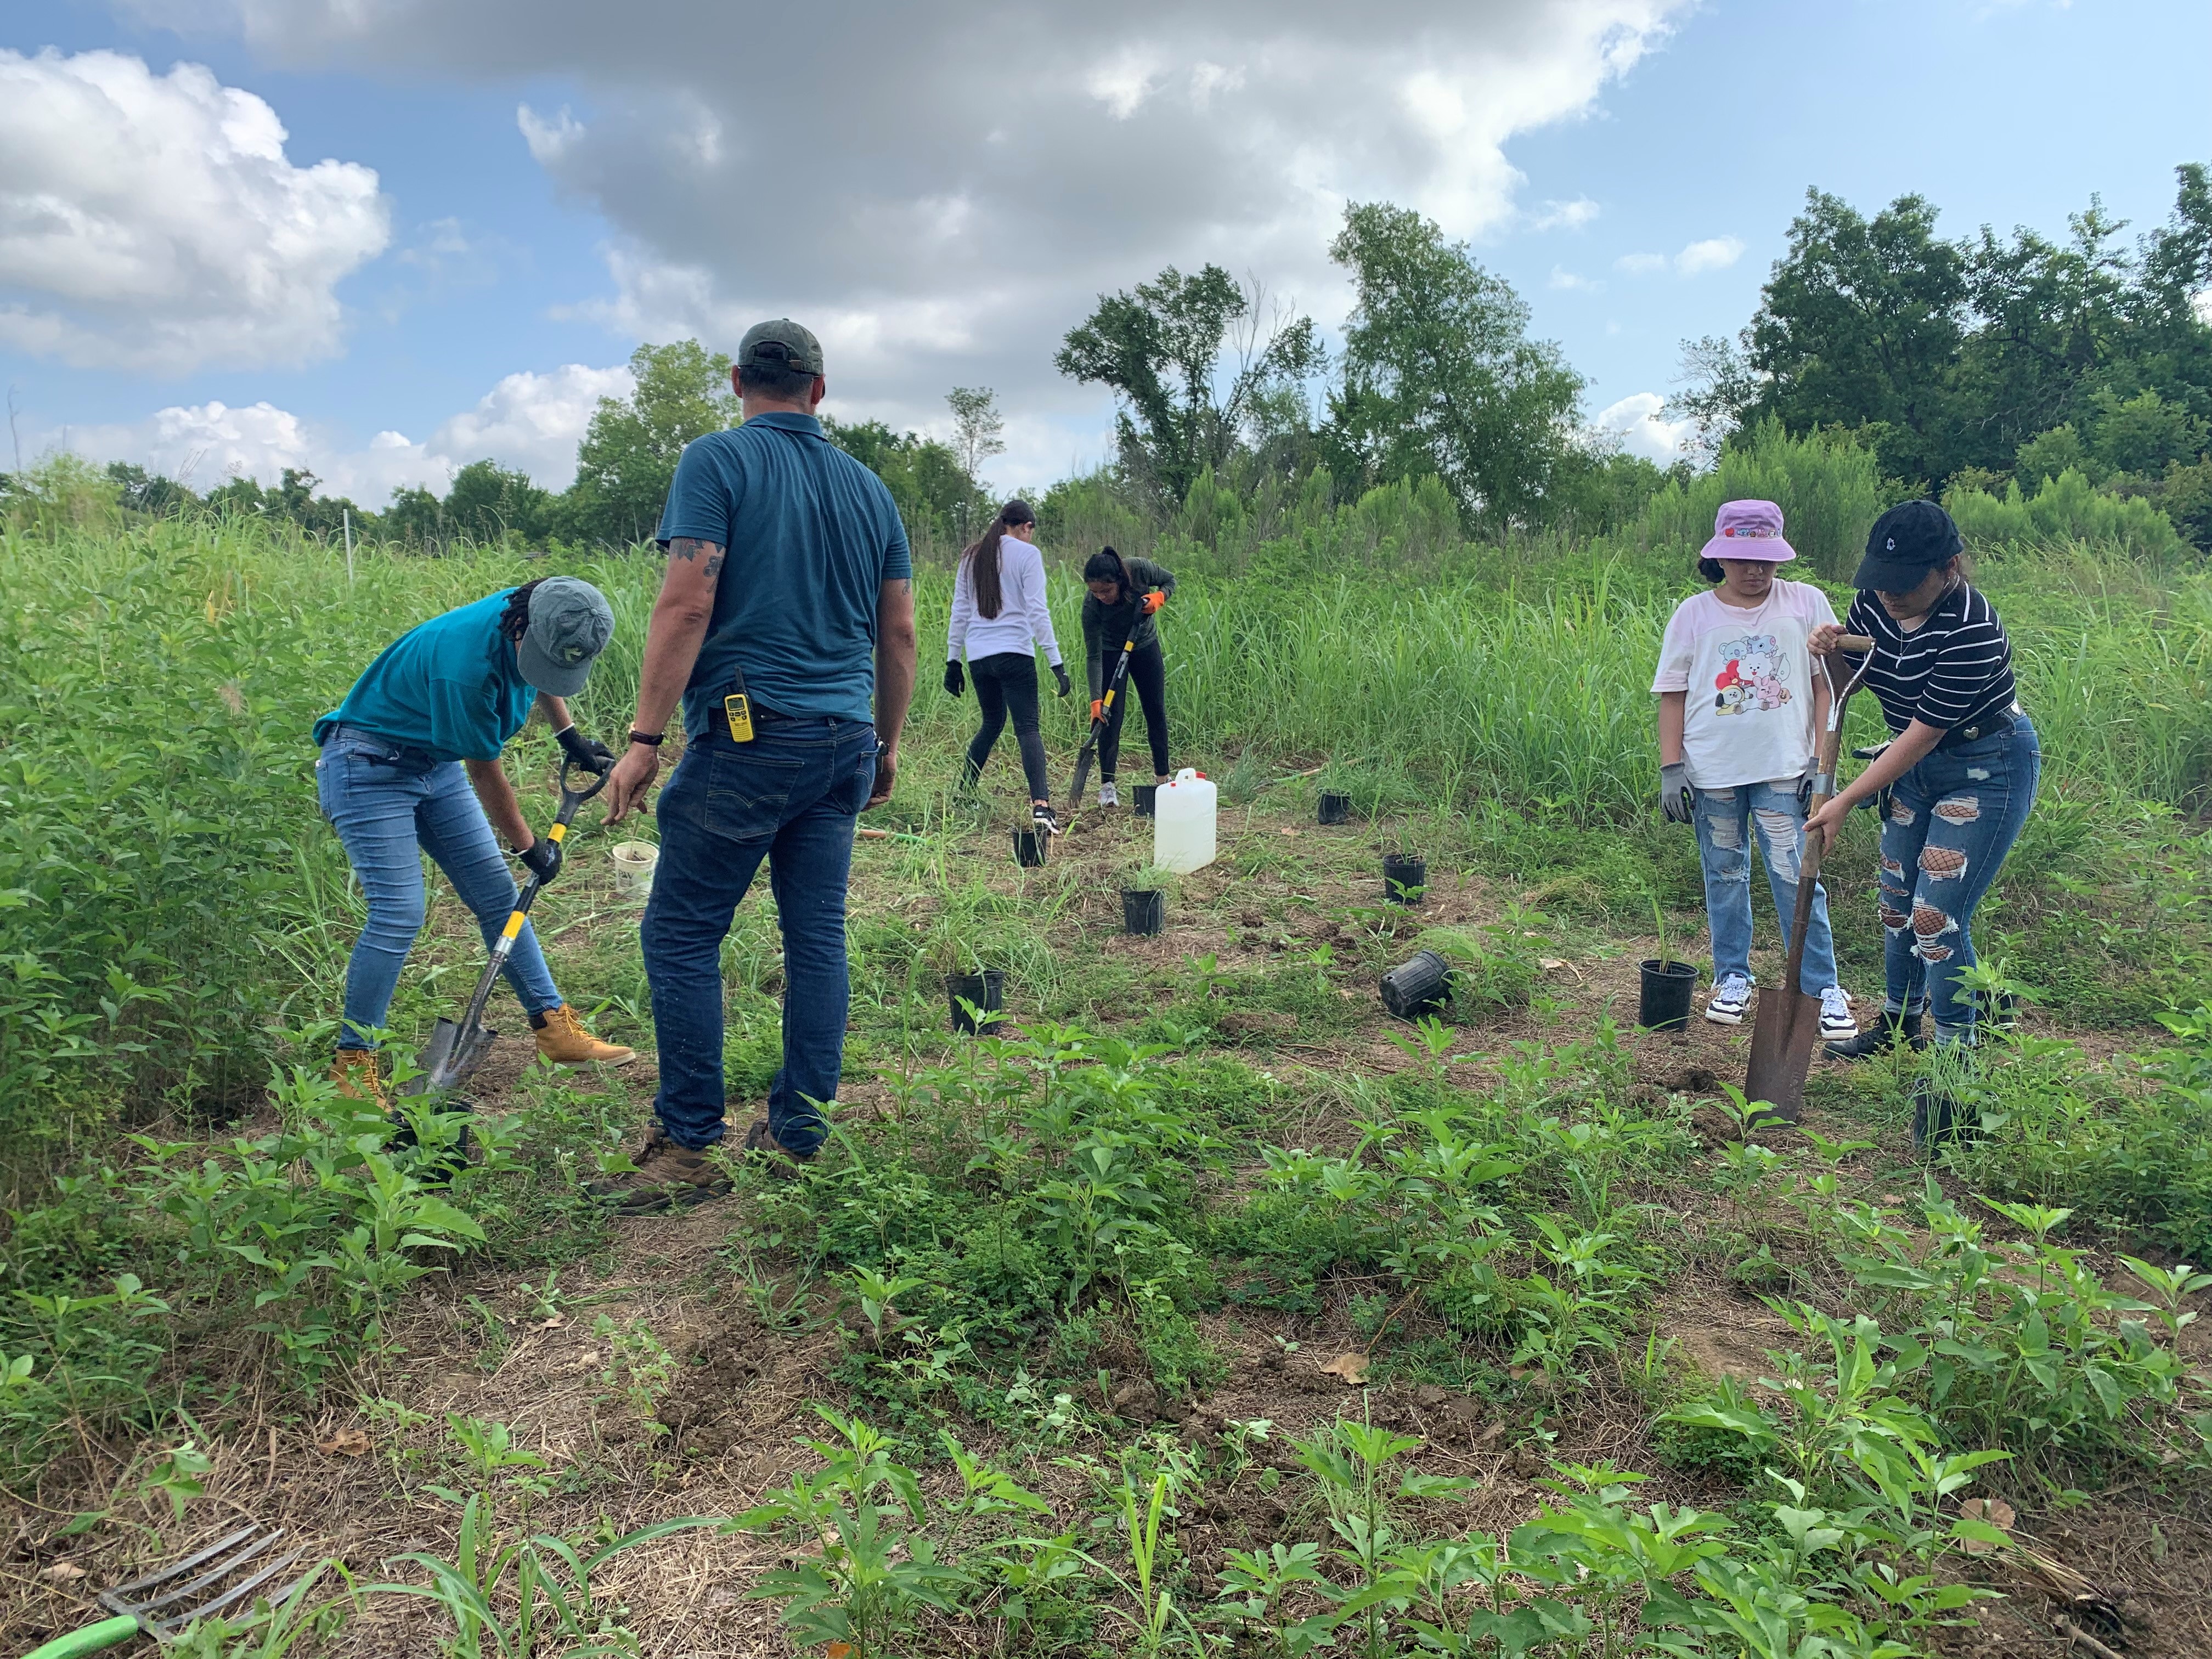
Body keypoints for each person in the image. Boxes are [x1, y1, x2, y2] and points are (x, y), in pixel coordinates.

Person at [596, 319, 917, 1212]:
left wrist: (646, 739)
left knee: (682, 931)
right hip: (843, 738)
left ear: (739, 379)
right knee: (816, 934)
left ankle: (691, 1139)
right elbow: (898, 633)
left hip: (749, 735)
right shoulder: (870, 491)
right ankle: (797, 1132)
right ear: (819, 388)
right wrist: (885, 743)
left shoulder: (717, 462)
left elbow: (688, 597)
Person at [314, 576, 635, 1102]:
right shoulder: (466, 668)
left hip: (433, 764)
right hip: (368, 767)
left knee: (497, 898)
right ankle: (353, 1064)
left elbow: (541, 667)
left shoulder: (536, 611)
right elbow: (486, 773)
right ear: (521, 628)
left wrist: (567, 733)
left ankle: (555, 1029)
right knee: (398, 912)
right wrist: (527, 845)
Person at [1809, 499, 2038, 1058]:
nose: (1890, 595)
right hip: (1912, 769)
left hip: (1986, 767)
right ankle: (1899, 1025)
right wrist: (1829, 651)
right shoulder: (1873, 601)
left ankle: (1956, 1056)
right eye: (1882, 581)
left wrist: (1843, 801)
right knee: (1896, 907)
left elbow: (1924, 733)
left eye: (1906, 584)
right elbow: (1852, 683)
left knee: (1934, 917)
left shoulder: (1972, 628)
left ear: (1949, 568)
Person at [1652, 500, 1856, 1040]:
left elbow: (1824, 686)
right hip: (1713, 771)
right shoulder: (1693, 615)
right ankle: (1733, 977)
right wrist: (1672, 767)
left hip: (1784, 769)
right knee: (1724, 873)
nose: (1755, 571)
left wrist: (1820, 763)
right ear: (1719, 557)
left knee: (1796, 874)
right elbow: (1672, 696)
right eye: (1742, 559)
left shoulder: (1806, 603)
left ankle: (1821, 985)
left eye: (1765, 560)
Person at [945, 498, 1071, 833]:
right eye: (1031, 530)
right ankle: (1042, 808)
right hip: (1015, 654)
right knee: (1028, 729)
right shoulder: (1027, 555)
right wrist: (1056, 662)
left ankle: (964, 792)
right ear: (1025, 526)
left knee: (992, 724)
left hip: (979, 658)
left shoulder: (971, 556)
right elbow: (1037, 611)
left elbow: (960, 610)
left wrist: (952, 660)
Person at [1081, 546, 1176, 806]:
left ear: (1119, 582)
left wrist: (1159, 597)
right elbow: (1093, 656)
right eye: (1095, 592)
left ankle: (1163, 778)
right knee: (1109, 716)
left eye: (1106, 591)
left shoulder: (1139, 569)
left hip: (1144, 645)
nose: (1100, 597)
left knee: (1155, 709)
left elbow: (1170, 580)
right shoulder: (1091, 607)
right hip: (1111, 650)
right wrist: (1095, 699)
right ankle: (1108, 786)